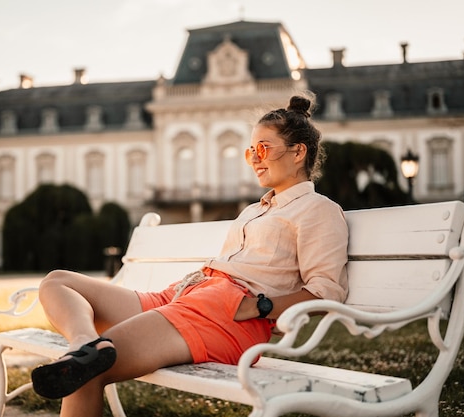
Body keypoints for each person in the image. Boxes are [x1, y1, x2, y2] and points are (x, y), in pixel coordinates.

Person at [30, 93, 349, 417]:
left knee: (88, 373)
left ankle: (87, 354)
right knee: (57, 282)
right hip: (189, 294)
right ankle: (84, 343)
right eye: (250, 151)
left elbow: (326, 291)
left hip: (228, 315)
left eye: (263, 148)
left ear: (298, 152)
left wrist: (261, 306)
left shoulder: (318, 210)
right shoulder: (254, 211)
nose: (255, 158)